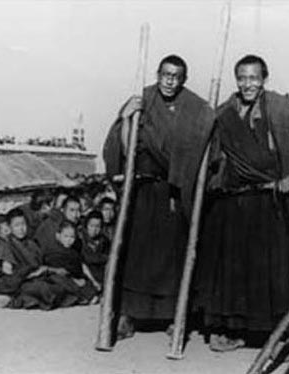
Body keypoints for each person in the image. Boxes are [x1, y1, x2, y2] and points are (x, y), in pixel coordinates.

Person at [194, 55, 289, 351]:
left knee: (272, 270)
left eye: (253, 78)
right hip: (234, 204)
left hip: (268, 200)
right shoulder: (225, 111)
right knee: (236, 270)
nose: (247, 84)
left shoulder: (277, 107)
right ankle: (237, 331)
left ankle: (276, 332)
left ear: (264, 79)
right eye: (242, 78)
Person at [103, 54, 214, 338]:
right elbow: (127, 151)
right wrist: (126, 118)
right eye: (165, 74)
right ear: (157, 74)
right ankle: (128, 315)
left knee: (173, 256)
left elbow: (199, 150)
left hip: (174, 191)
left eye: (176, 76)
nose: (170, 81)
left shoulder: (194, 108)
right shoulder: (143, 100)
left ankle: (174, 316)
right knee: (135, 253)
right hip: (142, 190)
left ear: (183, 80)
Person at [80, 210, 110, 285]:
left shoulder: (105, 241)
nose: (94, 230)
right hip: (85, 278)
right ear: (86, 225)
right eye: (91, 226)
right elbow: (87, 258)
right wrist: (103, 258)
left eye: (97, 226)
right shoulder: (80, 239)